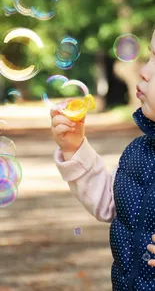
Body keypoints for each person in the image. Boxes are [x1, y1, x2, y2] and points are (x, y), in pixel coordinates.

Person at [50, 29, 155, 291]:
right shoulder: (139, 152)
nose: (144, 70)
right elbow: (112, 204)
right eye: (150, 56)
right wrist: (75, 149)